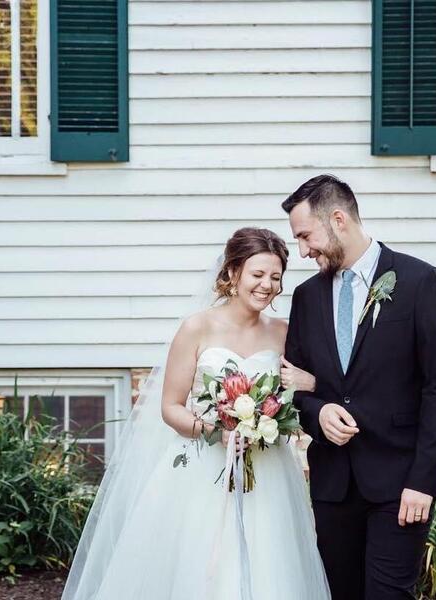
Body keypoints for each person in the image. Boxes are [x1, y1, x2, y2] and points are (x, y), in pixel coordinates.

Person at [61, 227, 330, 600]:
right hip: (202, 467)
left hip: (268, 470)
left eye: (275, 277)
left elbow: (307, 388)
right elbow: (170, 407)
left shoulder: (285, 332)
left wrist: (302, 389)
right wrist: (215, 431)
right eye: (257, 275)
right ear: (232, 273)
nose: (267, 286)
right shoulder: (197, 327)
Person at [282, 174, 436, 600]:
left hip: (400, 487)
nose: (303, 251)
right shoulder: (306, 298)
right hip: (333, 488)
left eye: (305, 236)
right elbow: (295, 389)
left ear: (338, 219)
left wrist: (424, 482)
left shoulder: (419, 282)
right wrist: (319, 412)